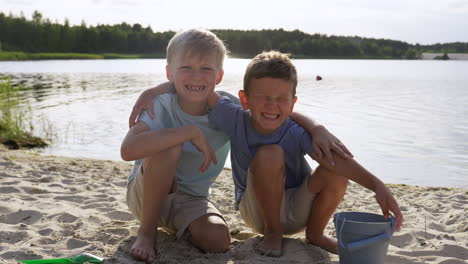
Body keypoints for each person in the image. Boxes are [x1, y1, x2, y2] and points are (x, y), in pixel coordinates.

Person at [122, 30, 351, 263]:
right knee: (170, 146)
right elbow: (128, 150)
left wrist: (316, 128)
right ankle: (147, 232)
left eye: (206, 69)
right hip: (145, 196)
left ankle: (180, 229)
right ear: (170, 72)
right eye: (186, 68)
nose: (196, 76)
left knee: (218, 240)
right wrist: (186, 132)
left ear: (219, 76)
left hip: (191, 199)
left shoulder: (226, 109)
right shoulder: (159, 105)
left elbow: (271, 111)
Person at [204, 51, 403, 257]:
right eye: (263, 97)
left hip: (299, 208)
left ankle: (316, 235)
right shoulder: (234, 118)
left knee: (334, 169)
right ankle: (273, 232)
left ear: (292, 104)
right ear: (245, 99)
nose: (272, 105)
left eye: (281, 99)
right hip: (257, 212)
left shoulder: (294, 130)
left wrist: (377, 185)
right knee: (270, 154)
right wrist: (168, 83)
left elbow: (336, 161)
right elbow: (201, 90)